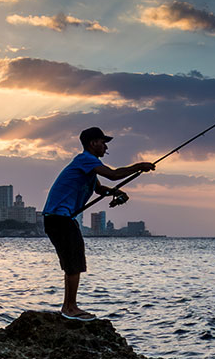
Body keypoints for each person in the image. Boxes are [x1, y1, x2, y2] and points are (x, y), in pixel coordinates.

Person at [41, 127, 154, 321]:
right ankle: (70, 308)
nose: (105, 146)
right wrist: (138, 166)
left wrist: (116, 193)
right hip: (58, 218)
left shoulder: (89, 168)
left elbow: (101, 188)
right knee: (74, 262)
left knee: (73, 261)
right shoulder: (85, 160)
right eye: (103, 142)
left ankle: (68, 307)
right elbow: (114, 175)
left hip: (61, 219)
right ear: (93, 143)